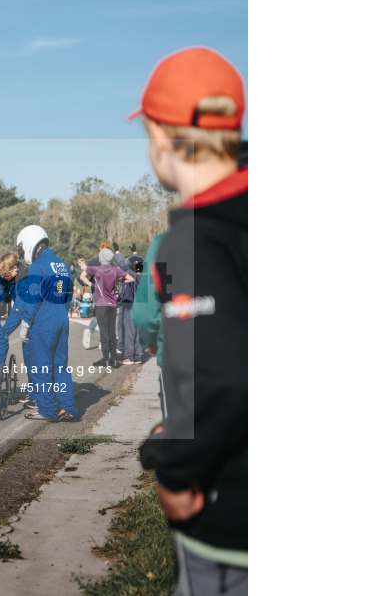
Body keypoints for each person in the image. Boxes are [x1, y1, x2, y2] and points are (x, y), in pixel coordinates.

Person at [129, 46, 248, 595]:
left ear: (161, 135)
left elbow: (221, 376)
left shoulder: (187, 243)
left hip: (229, 517)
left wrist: (176, 463)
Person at [14, 225, 78, 422]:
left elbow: (34, 297)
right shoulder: (63, 264)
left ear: (29, 243)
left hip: (44, 319)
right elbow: (69, 295)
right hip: (62, 315)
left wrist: (26, 322)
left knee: (40, 366)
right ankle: (67, 407)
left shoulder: (37, 266)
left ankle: (47, 410)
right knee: (60, 365)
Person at [0, 251, 37, 409]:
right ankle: (34, 392)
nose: (4, 277)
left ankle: (38, 397)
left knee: (33, 357)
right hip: (27, 315)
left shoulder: (25, 280)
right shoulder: (9, 276)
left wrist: (1, 335)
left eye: (6, 274)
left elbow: (20, 310)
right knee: (28, 356)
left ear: (14, 268)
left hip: (38, 319)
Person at [77, 248, 134, 369]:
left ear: (101, 258)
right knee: (112, 332)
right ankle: (113, 359)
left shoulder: (97, 270)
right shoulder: (115, 270)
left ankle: (105, 359)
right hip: (112, 305)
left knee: (104, 333)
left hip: (101, 305)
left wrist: (81, 262)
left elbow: (83, 268)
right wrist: (118, 280)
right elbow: (131, 279)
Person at [117, 254, 144, 365]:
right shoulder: (144, 276)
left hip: (131, 307)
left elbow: (124, 267)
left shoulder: (133, 276)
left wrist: (118, 254)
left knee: (129, 333)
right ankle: (137, 357)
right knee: (138, 333)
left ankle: (128, 357)